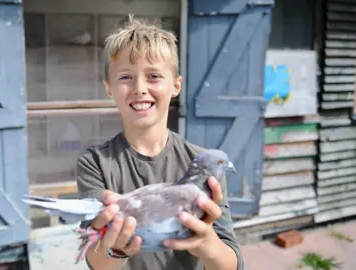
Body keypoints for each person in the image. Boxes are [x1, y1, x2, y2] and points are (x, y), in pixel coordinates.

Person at [76, 14, 244, 270]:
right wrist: (115, 249)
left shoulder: (205, 164)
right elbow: (96, 263)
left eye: (154, 76)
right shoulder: (95, 163)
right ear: (109, 88)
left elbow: (232, 265)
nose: (139, 88)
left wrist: (205, 241)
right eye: (125, 77)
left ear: (176, 86)